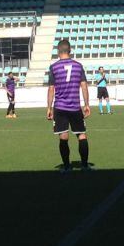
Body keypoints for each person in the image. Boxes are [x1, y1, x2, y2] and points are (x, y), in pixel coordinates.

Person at [46, 39, 91, 173]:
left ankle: (66, 167)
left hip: (60, 107)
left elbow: (51, 88)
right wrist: (87, 104)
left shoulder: (54, 67)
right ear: (70, 51)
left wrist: (49, 108)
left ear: (58, 51)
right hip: (75, 106)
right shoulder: (78, 66)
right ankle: (84, 166)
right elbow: (84, 85)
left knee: (63, 136)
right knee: (81, 135)